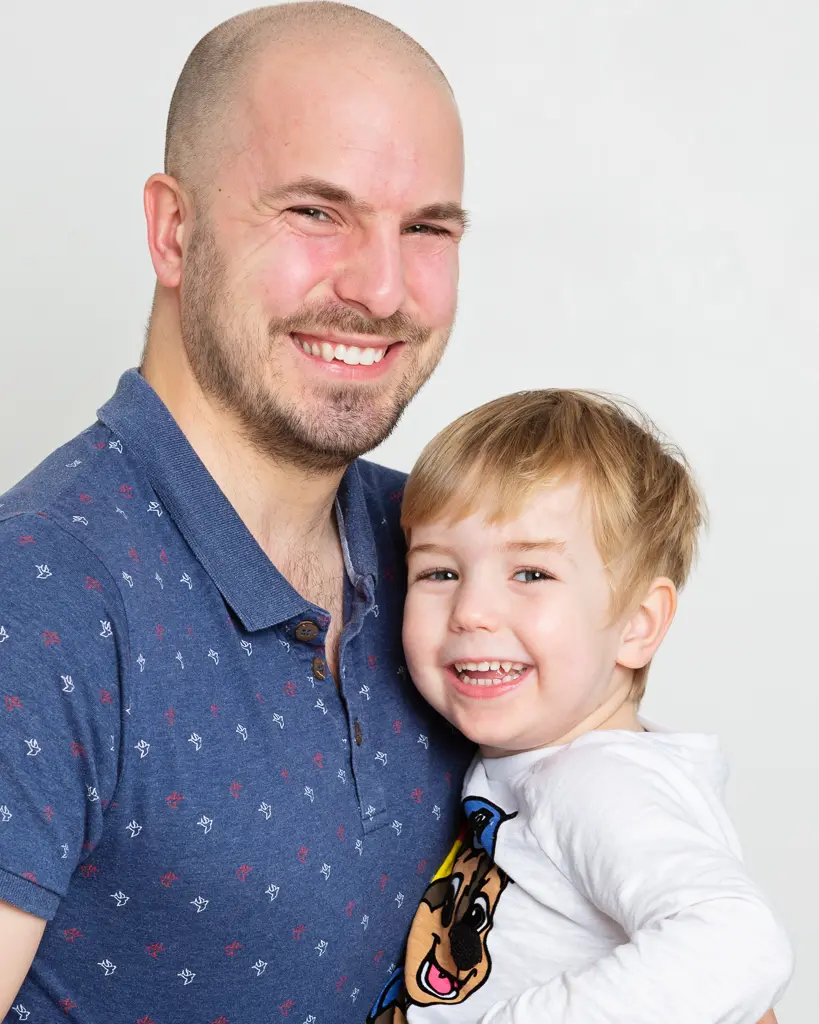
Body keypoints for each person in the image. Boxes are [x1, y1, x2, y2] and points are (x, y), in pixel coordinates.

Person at [0, 4, 474, 1021]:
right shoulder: (37, 598)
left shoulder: (444, 549)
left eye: (427, 227)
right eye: (315, 212)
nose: (382, 288)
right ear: (175, 230)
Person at [366, 389, 793, 1022]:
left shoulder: (595, 781)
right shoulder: (547, 762)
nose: (472, 611)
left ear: (637, 625)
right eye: (440, 573)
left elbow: (741, 945)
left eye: (531, 574)